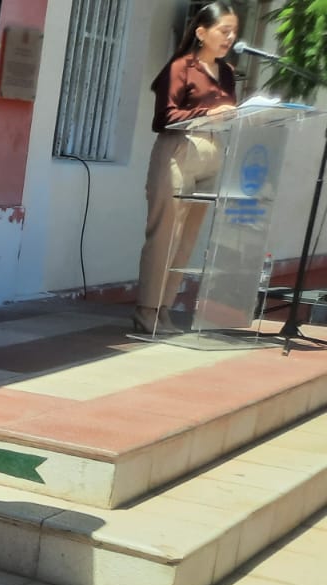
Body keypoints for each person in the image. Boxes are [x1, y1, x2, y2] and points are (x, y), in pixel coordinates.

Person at [133, 2, 240, 336]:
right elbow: (163, 118)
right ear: (201, 32)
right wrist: (208, 114)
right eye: (224, 30)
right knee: (165, 234)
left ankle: (165, 310)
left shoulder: (226, 72)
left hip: (212, 152)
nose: (230, 37)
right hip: (179, 149)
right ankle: (146, 312)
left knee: (187, 239)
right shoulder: (180, 68)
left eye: (234, 32)